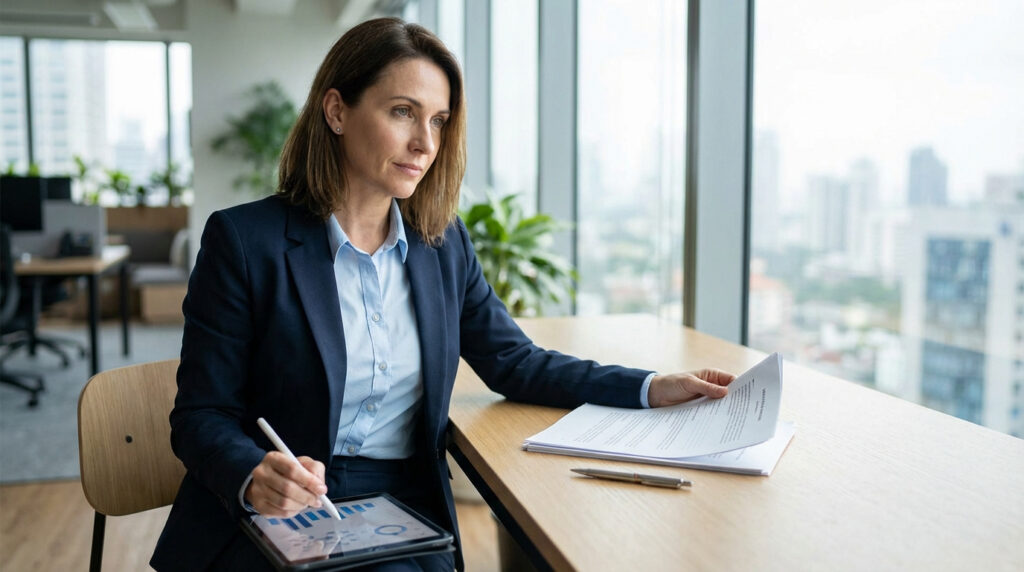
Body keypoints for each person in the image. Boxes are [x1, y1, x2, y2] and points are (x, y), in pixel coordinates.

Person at [151, 17, 735, 572]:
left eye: (438, 120)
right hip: (285, 511)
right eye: (403, 112)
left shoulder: (442, 243)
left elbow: (514, 361)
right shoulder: (245, 241)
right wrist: (254, 473)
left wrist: (649, 387)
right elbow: (202, 414)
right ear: (336, 111)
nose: (424, 142)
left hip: (402, 504)